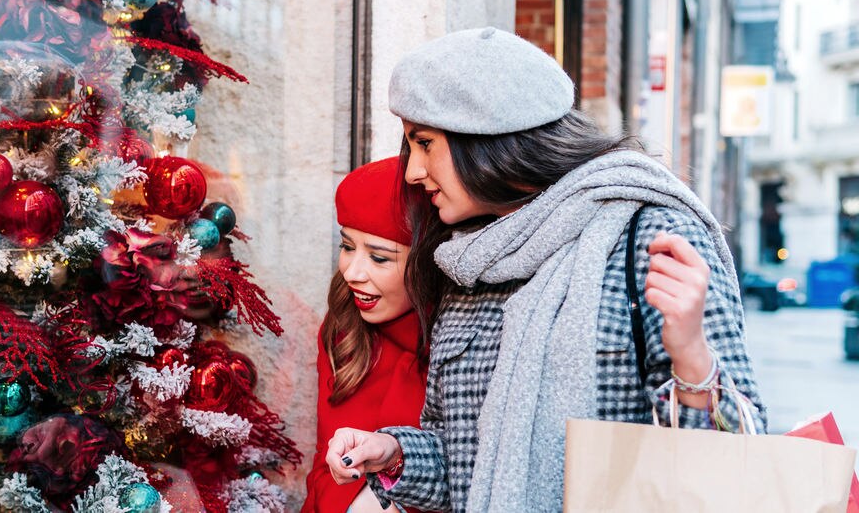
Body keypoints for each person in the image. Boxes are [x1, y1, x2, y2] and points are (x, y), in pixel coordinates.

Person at [323, 27, 767, 512]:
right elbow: (465, 465)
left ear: (487, 137)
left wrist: (692, 359)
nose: (412, 170)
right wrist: (394, 454)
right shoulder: (468, 258)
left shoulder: (647, 232)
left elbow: (742, 450)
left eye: (425, 143)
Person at [303, 157, 429, 513]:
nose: (352, 272)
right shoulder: (346, 327)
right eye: (346, 246)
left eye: (379, 258)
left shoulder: (462, 342)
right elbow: (327, 465)